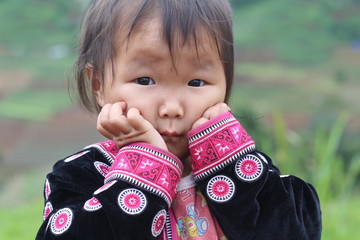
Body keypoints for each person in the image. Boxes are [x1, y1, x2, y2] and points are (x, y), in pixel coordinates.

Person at [36, 0, 322, 239]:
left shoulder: (241, 167)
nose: (172, 107)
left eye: (196, 82)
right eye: (145, 80)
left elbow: (299, 230)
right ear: (98, 83)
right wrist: (144, 164)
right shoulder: (80, 174)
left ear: (225, 85)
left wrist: (229, 162)